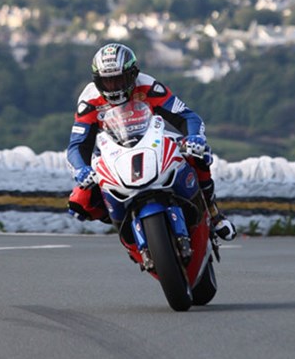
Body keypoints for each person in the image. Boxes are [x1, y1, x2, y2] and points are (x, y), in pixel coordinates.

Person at [66, 42, 236, 239]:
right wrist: (81, 169)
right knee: (79, 203)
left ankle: (215, 214)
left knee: (198, 153)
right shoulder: (89, 101)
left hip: (151, 141)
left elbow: (187, 116)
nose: (114, 87)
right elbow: (76, 145)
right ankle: (123, 224)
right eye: (107, 81)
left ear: (133, 74)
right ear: (97, 81)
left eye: (119, 80)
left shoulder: (148, 86)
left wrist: (195, 137)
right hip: (112, 152)